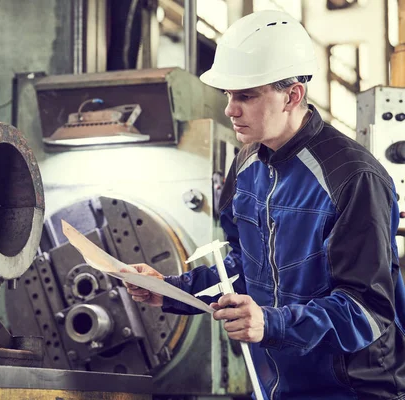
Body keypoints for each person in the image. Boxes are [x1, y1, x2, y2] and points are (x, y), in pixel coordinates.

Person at [124, 9, 405, 400]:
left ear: (293, 95)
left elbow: (368, 310)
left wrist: (271, 324)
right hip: (276, 388)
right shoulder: (247, 163)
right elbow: (242, 271)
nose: (229, 109)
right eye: (228, 94)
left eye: (246, 95)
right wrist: (171, 290)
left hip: (354, 391)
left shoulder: (353, 177)